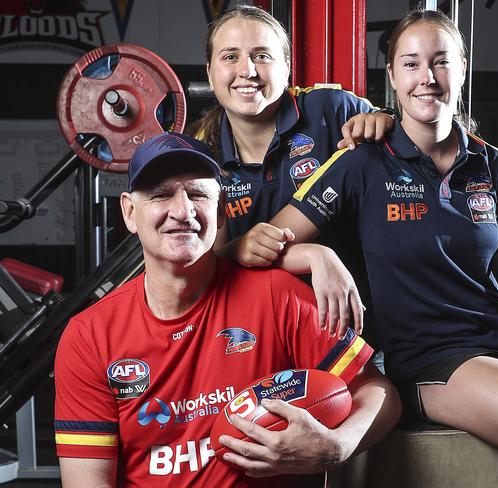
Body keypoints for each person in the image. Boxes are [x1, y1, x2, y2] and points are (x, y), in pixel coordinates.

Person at [234, 10, 498, 487]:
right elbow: (259, 246)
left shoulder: (497, 166)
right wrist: (317, 255)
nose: (426, 78)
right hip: (431, 358)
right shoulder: (362, 162)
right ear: (391, 76)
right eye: (410, 64)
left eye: (440, 62)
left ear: (463, 69)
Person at [53, 132, 401, 488]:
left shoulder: (278, 296)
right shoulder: (89, 336)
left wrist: (336, 447)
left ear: (220, 212)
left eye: (199, 195)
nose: (182, 211)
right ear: (129, 211)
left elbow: (377, 392)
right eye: (161, 195)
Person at [188, 5, 395, 339]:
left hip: (361, 329)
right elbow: (200, 268)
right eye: (230, 57)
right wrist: (239, 250)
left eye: (262, 56)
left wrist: (385, 120)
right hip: (259, 335)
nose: (247, 70)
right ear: (210, 72)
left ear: (286, 67)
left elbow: (410, 145)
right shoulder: (199, 153)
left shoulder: (331, 109)